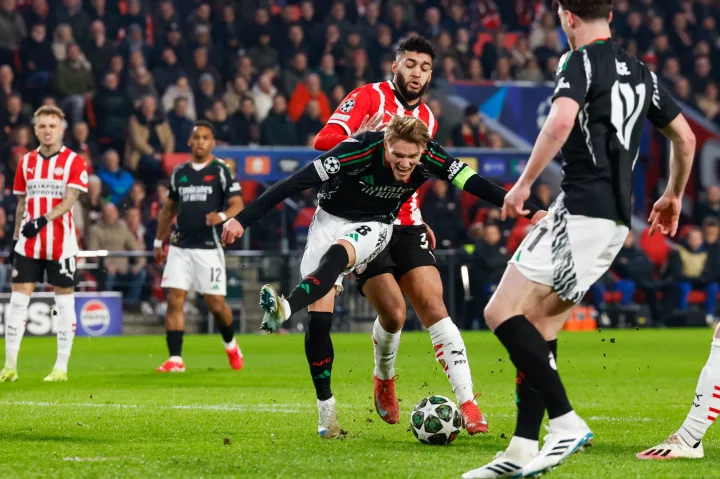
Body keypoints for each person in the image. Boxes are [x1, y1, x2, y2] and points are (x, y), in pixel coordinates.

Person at [464, 0, 694, 477]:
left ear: (566, 15)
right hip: (612, 222)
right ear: (608, 14)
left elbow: (563, 120)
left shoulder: (579, 61)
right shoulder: (643, 74)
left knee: (499, 311)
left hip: (583, 212)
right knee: (540, 326)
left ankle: (565, 422)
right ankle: (523, 448)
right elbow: (686, 139)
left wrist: (524, 184)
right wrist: (672, 195)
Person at [222, 115, 541, 439]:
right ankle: (326, 411)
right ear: (386, 144)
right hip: (329, 220)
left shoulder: (431, 154)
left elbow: (476, 184)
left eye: (411, 157)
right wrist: (242, 219)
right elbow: (294, 183)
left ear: (422, 151)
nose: (405, 164)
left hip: (377, 225)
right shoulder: (357, 150)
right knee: (321, 321)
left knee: (345, 257)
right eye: (397, 156)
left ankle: (286, 308)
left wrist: (530, 210)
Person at [313, 35, 491, 435]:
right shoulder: (367, 97)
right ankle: (384, 378)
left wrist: (419, 213)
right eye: (410, 64)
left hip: (407, 222)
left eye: (425, 67)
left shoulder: (428, 118)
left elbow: (416, 174)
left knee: (433, 305)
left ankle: (469, 403)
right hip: (368, 222)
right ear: (395, 66)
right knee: (393, 313)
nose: (417, 73)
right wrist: (362, 134)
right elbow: (322, 142)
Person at [0, 105, 89, 383]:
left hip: (61, 243)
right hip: (28, 243)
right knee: (17, 302)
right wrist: (15, 239)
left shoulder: (74, 161)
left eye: (52, 125)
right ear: (35, 129)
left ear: (61, 128)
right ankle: (10, 366)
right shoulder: (26, 162)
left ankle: (61, 367)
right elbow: (21, 203)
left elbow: (71, 199)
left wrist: (42, 220)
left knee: (63, 303)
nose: (47, 130)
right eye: (42, 126)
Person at [154, 121, 244, 373]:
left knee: (216, 305)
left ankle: (231, 344)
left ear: (212, 142)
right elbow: (168, 209)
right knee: (174, 300)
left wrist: (222, 216)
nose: (201, 141)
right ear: (190, 142)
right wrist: (158, 241)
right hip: (180, 245)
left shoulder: (221, 171)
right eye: (197, 137)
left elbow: (238, 203)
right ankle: (175, 359)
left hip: (208, 247)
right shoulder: (179, 172)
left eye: (206, 137)